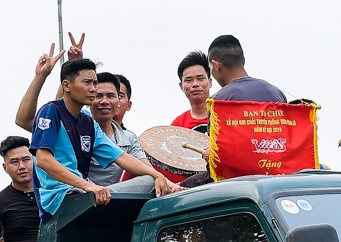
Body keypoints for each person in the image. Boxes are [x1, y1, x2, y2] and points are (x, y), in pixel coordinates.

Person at [31, 58, 179, 216]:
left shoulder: (88, 123)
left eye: (94, 83)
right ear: (66, 86)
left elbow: (121, 157)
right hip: (61, 196)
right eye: (87, 83)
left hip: (84, 191)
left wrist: (158, 175)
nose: (93, 89)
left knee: (149, 180)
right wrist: (87, 186)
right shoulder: (50, 111)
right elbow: (43, 160)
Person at [0, 136, 40, 242]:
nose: (21, 166)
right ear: (5, 167)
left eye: (26, 159)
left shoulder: (52, 193)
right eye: (14, 162)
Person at [89, 72, 143, 187]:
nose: (104, 101)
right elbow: (60, 110)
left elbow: (147, 169)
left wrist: (169, 184)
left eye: (110, 96)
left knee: (150, 178)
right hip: (83, 195)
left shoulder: (129, 137)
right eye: (98, 96)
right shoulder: (79, 128)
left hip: (115, 197)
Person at [208, 34, 286, 103]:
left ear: (216, 66)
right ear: (243, 61)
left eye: (210, 67)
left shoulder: (217, 101)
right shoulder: (277, 93)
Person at [171, 52, 213, 132]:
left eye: (200, 78)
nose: (195, 84)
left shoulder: (225, 115)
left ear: (210, 82)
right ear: (181, 86)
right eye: (189, 80)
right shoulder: (178, 125)